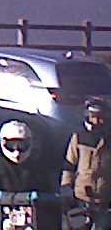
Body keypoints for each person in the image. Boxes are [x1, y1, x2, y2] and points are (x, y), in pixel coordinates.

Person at [0, 120, 60, 230]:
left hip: (32, 222)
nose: (17, 151)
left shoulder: (38, 168)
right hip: (1, 221)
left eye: (22, 145)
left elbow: (49, 199)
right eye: (11, 145)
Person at [63, 97, 110, 230]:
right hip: (81, 198)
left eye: (100, 116)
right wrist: (66, 187)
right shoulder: (79, 137)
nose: (96, 120)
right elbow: (69, 165)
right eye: (93, 116)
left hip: (104, 199)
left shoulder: (109, 140)